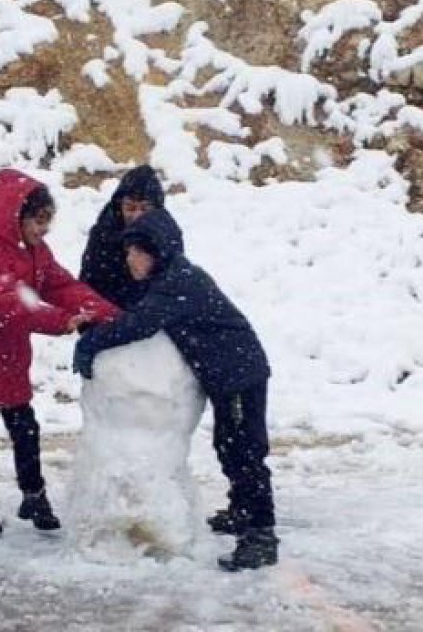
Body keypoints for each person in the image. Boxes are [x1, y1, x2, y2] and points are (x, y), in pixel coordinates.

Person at [73, 208, 278, 571]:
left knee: (245, 452)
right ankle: (241, 509)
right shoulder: (173, 278)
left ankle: (260, 534)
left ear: (155, 251)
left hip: (239, 374)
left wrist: (90, 345)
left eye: (134, 252)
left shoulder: (178, 282)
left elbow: (140, 323)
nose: (129, 260)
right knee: (227, 445)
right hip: (226, 375)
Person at [0, 168, 118, 539]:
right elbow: (16, 303)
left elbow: (63, 286)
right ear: (13, 217)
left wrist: (107, 313)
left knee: (24, 426)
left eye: (46, 221)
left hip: (7, 349)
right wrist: (65, 320)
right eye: (36, 221)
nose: (42, 229)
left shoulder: (38, 253)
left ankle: (33, 495)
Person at [80, 164, 166, 309]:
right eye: (130, 208)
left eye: (145, 208)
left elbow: (172, 286)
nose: (137, 215)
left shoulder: (166, 235)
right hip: (109, 314)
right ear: (119, 206)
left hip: (153, 314)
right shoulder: (103, 235)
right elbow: (90, 288)